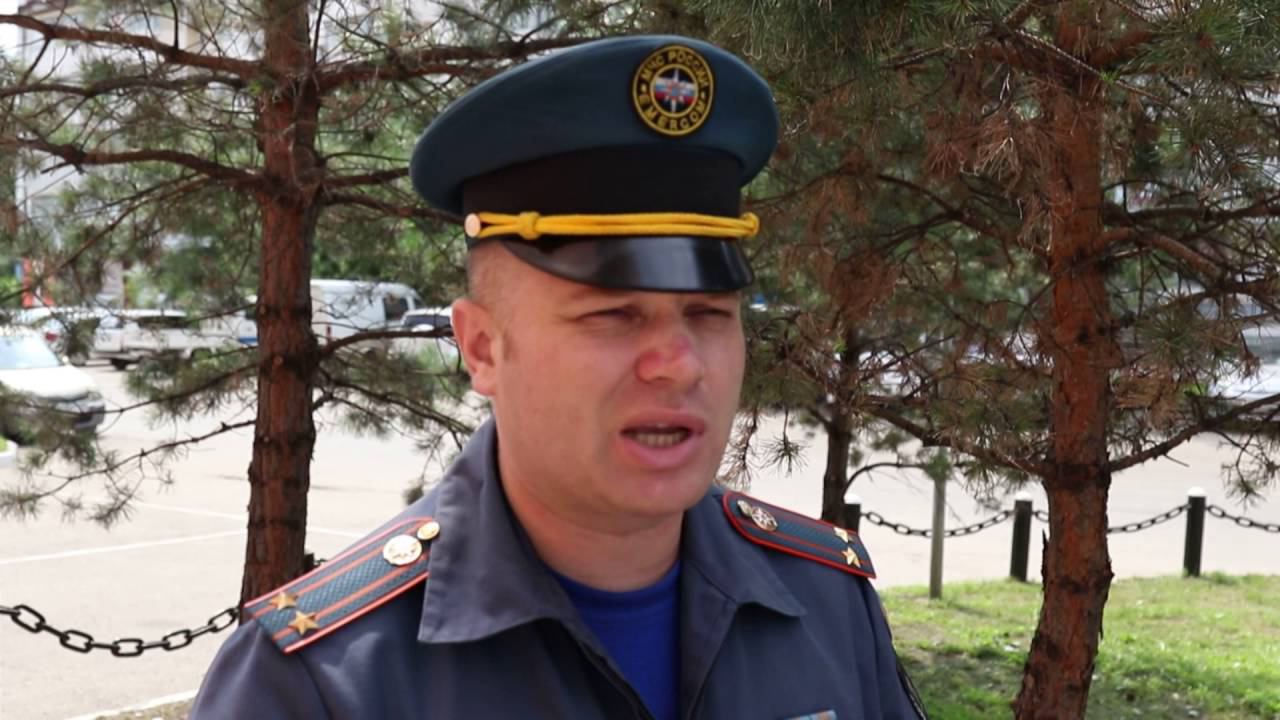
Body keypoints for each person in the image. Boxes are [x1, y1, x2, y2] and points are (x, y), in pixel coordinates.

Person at [190, 34, 927, 719]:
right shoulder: (318, 684)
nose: (679, 364)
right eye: (613, 315)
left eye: (708, 314)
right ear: (482, 349)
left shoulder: (829, 607)